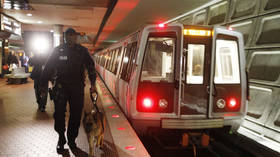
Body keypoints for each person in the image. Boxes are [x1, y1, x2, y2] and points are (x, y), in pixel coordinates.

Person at [40, 28, 96, 153]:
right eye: (68, 35)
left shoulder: (82, 51)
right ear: (65, 37)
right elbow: (48, 68)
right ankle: (61, 138)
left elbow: (91, 67)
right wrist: (43, 86)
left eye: (73, 36)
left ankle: (71, 139)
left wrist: (93, 84)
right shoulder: (58, 51)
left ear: (76, 37)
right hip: (61, 87)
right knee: (59, 115)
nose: (71, 38)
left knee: (76, 116)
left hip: (77, 88)